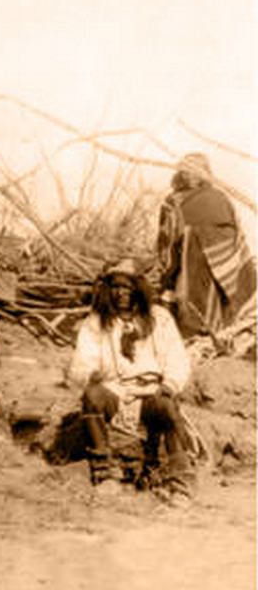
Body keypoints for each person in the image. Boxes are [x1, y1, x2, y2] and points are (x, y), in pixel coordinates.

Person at [67, 258, 193, 505]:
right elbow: (82, 361)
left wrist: (169, 385)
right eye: (116, 287)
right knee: (92, 396)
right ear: (108, 290)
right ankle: (106, 474)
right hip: (115, 389)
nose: (122, 293)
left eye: (128, 287)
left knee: (167, 406)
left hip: (151, 390)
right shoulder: (97, 322)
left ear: (139, 289)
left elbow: (178, 358)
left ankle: (179, 483)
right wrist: (90, 374)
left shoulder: (160, 318)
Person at [157, 152, 256, 340]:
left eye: (193, 172)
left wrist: (201, 239)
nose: (188, 176)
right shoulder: (172, 201)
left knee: (216, 301)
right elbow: (165, 237)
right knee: (185, 300)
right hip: (185, 262)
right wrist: (178, 251)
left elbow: (234, 234)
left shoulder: (218, 198)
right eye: (184, 172)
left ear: (204, 173)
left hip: (215, 263)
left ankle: (217, 333)